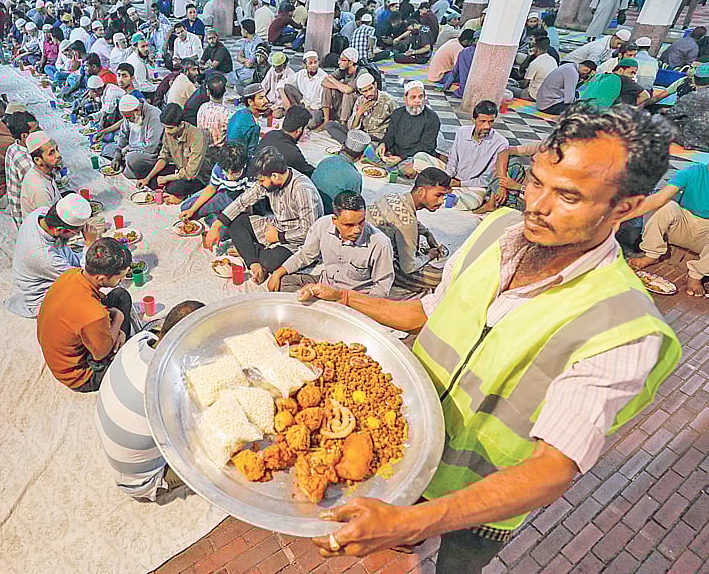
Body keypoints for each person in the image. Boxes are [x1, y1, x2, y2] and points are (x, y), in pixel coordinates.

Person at [303, 104, 680, 571]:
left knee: (457, 566)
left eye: (568, 196)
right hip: (412, 449)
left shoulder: (624, 326)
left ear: (623, 207)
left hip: (483, 497)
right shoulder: (496, 231)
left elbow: (554, 467)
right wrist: (343, 297)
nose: (536, 206)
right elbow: (426, 311)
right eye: (535, 180)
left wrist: (415, 523)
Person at [97, 300, 203, 501]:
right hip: (142, 482)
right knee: (213, 452)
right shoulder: (165, 389)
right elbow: (192, 427)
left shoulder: (140, 339)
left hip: (115, 451)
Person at [204, 147, 323, 283]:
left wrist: (278, 237)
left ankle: (248, 251)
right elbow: (242, 202)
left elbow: (309, 232)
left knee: (270, 261)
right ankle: (254, 262)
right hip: (276, 227)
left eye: (261, 181)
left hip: (296, 240)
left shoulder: (302, 190)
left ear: (275, 176)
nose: (260, 184)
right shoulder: (269, 181)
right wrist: (216, 226)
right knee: (236, 222)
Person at [36, 238, 134, 392]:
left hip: (63, 350)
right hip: (79, 375)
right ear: (101, 279)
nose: (121, 280)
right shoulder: (94, 315)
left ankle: (119, 337)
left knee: (121, 295)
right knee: (132, 361)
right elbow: (101, 353)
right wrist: (119, 321)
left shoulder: (71, 274)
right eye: (119, 277)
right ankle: (123, 346)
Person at [268, 191, 393, 296]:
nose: (357, 230)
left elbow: (381, 288)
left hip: (351, 299)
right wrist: (277, 273)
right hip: (324, 284)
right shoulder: (323, 225)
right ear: (334, 220)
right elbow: (305, 255)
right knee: (284, 282)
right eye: (349, 225)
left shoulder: (380, 244)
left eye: (361, 222)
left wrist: (347, 300)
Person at [5, 194, 96, 318]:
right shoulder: (43, 255)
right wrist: (89, 244)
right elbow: (82, 280)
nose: (80, 234)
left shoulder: (40, 213)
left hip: (50, 268)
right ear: (59, 230)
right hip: (40, 298)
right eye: (78, 232)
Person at [410, 100, 510, 211]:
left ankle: (436, 194)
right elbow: (453, 160)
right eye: (482, 121)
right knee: (420, 157)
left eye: (490, 122)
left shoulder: (501, 143)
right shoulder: (462, 132)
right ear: (474, 120)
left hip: (472, 185)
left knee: (472, 202)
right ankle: (440, 192)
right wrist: (446, 180)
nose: (486, 126)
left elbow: (486, 178)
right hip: (451, 176)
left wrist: (460, 184)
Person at [627, 161, 709, 296]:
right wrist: (616, 218)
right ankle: (651, 254)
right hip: (683, 223)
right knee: (665, 205)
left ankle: (696, 275)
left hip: (705, 237)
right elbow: (660, 197)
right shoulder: (694, 171)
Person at [367, 168, 450, 296]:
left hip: (364, 246)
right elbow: (408, 267)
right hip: (375, 265)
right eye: (438, 195)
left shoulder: (393, 196)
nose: (441, 201)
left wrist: (426, 233)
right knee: (442, 276)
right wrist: (429, 256)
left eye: (444, 196)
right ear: (421, 191)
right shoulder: (408, 224)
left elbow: (402, 218)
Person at [136, 103, 209, 201]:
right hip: (178, 170)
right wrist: (147, 178)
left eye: (170, 128)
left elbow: (190, 173)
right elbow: (164, 156)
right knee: (142, 170)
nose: (166, 131)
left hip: (197, 177)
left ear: (181, 124)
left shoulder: (197, 137)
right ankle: (167, 190)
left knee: (174, 188)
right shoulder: (168, 133)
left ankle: (178, 194)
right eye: (165, 127)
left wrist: (166, 178)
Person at [179, 143, 249, 224]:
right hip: (227, 192)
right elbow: (211, 188)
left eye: (235, 173)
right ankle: (215, 215)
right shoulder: (218, 168)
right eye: (226, 172)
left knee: (225, 229)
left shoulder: (251, 169)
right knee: (186, 208)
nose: (230, 177)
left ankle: (215, 217)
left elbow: (248, 200)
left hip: (242, 198)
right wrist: (192, 210)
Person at [380, 82, 440, 168]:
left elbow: (426, 147)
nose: (417, 100)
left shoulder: (432, 118)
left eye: (420, 97)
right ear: (405, 99)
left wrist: (401, 158)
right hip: (395, 153)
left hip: (415, 156)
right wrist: (383, 144)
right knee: (370, 148)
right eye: (413, 97)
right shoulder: (397, 113)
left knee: (408, 169)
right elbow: (390, 135)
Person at [311, 130, 369, 213]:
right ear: (361, 156)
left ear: (342, 147)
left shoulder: (326, 160)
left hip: (313, 205)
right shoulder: (355, 177)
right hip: (330, 214)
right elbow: (353, 205)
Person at [258, 105, 315, 176]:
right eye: (306, 129)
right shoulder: (293, 153)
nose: (307, 133)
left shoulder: (270, 134)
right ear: (299, 131)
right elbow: (311, 173)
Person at [20, 132, 62, 222]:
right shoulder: (40, 189)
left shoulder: (44, 171)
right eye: (51, 153)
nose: (58, 155)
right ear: (38, 160)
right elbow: (50, 224)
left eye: (57, 149)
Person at [347, 73, 398, 147]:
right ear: (360, 91)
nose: (369, 93)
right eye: (365, 91)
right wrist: (359, 113)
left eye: (370, 88)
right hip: (362, 134)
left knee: (357, 143)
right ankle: (356, 146)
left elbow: (398, 122)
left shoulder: (389, 100)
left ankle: (355, 146)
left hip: (379, 137)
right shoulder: (360, 101)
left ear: (375, 85)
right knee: (331, 125)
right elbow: (351, 129)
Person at [320, 48, 364, 125]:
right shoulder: (343, 69)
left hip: (357, 104)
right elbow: (324, 82)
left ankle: (343, 123)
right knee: (327, 88)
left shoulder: (361, 72)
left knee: (348, 95)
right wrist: (340, 87)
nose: (339, 62)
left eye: (342, 60)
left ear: (350, 62)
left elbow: (348, 90)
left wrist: (334, 81)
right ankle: (326, 120)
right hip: (342, 102)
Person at [581, 58, 649, 108]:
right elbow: (645, 96)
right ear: (621, 70)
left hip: (581, 110)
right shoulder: (623, 79)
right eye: (631, 72)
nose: (633, 76)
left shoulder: (598, 77)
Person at [283, 51, 327, 127]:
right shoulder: (301, 73)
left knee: (310, 124)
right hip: (303, 103)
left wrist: (311, 107)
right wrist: (283, 97)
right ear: (305, 65)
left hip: (315, 108)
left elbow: (321, 100)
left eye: (315, 62)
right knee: (287, 87)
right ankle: (296, 111)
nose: (314, 65)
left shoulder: (323, 76)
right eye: (310, 63)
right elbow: (283, 83)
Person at [509, 36, 557, 101]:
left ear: (536, 48)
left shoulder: (535, 63)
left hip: (533, 95)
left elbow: (524, 84)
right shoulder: (553, 60)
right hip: (547, 95)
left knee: (507, 88)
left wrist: (529, 56)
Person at [227, 83, 268, 156]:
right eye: (261, 98)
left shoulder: (239, 113)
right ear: (250, 102)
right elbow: (251, 153)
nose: (266, 101)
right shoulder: (253, 126)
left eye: (265, 97)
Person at [197, 73, 233, 149]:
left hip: (203, 148)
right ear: (224, 91)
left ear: (208, 92)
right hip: (219, 150)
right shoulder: (225, 113)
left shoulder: (202, 107)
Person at [229, 19, 263, 92]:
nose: (241, 31)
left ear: (245, 31)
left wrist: (244, 59)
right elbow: (238, 57)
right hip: (243, 70)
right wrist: (246, 60)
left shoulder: (257, 43)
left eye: (241, 29)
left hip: (252, 73)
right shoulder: (246, 40)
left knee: (237, 85)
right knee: (227, 78)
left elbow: (250, 64)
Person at [565, 28, 630, 66]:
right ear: (614, 37)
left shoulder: (609, 43)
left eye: (621, 45)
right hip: (570, 63)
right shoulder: (599, 47)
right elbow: (590, 65)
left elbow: (605, 60)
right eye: (618, 43)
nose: (618, 46)